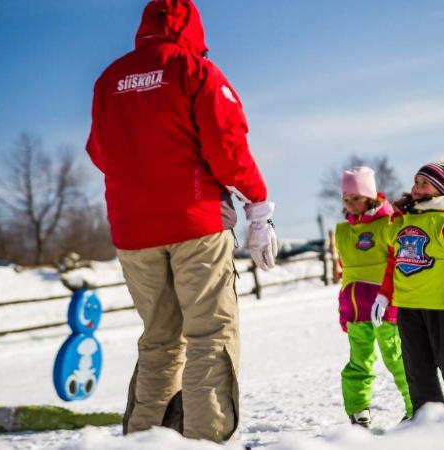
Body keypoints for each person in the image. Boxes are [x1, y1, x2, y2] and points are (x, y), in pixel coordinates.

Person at [85, 0, 278, 442]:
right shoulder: (194, 71)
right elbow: (227, 147)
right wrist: (258, 205)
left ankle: (144, 439)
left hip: (133, 232)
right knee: (210, 333)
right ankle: (204, 439)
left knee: (159, 339)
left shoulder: (109, 80)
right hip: (196, 224)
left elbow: (99, 151)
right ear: (193, 26)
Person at [371, 162, 444, 415]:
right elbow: (394, 263)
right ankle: (429, 418)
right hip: (407, 307)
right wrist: (383, 294)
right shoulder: (401, 221)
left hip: (440, 306)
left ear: (442, 189)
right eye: (415, 182)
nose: (416, 187)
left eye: (424, 183)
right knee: (416, 366)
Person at [334, 167, 413, 427]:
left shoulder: (388, 224)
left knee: (396, 356)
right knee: (359, 360)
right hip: (356, 308)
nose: (349, 204)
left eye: (354, 197)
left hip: (385, 306)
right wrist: (343, 308)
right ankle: (358, 410)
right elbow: (346, 274)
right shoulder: (344, 232)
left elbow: (398, 263)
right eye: (345, 199)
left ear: (369, 196)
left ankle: (416, 405)